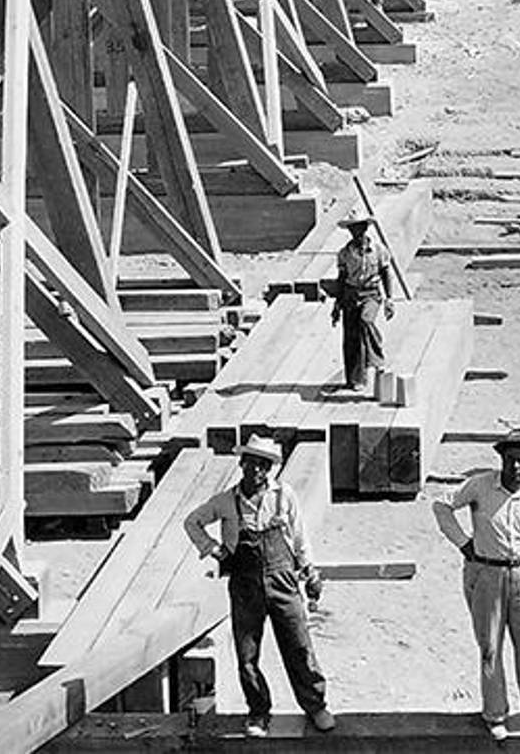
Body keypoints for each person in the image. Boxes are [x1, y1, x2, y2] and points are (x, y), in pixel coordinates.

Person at [183, 437, 334, 738]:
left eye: (261, 465)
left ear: (269, 469)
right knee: (247, 654)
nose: (255, 470)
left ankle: (316, 706)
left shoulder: (283, 496)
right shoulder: (226, 501)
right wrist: (214, 550)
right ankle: (258, 712)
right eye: (250, 463)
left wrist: (310, 572)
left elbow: (299, 538)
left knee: (299, 646)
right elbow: (192, 522)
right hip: (245, 585)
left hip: (283, 580)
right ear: (242, 464)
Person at [433, 427, 520, 742]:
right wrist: (464, 543)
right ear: (502, 458)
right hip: (486, 573)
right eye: (511, 459)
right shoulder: (480, 486)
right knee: (490, 647)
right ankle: (495, 714)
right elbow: (442, 505)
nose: (516, 466)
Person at [331, 210, 394, 392]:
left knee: (366, 320)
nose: (355, 233)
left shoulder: (379, 250)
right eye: (352, 229)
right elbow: (341, 279)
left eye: (358, 228)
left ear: (365, 228)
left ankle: (377, 358)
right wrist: (337, 304)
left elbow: (386, 273)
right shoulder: (344, 253)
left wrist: (389, 300)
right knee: (351, 336)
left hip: (371, 293)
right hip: (350, 294)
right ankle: (355, 379)